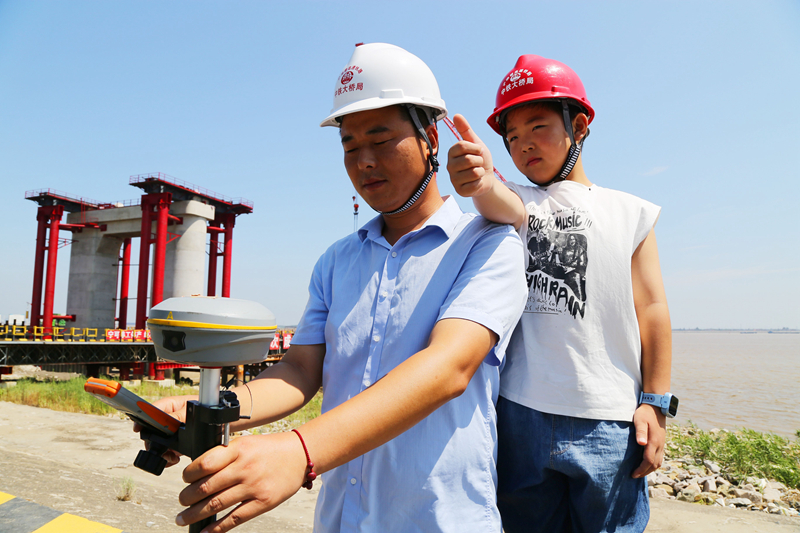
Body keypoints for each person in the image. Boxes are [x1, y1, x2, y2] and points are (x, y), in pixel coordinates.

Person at [145, 43, 526, 533]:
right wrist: (209, 411)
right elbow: (301, 370)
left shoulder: (488, 244)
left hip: (440, 520)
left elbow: (448, 367)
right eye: (349, 146)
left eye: (381, 140)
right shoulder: (337, 261)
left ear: (430, 138)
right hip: (342, 520)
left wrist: (298, 451)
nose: (364, 161)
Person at [447, 54, 673, 532]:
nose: (523, 144)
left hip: (609, 417)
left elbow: (652, 308)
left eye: (538, 127)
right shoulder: (522, 202)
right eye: (511, 137)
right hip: (520, 413)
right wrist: (480, 179)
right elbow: (494, 197)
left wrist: (655, 401)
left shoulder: (630, 212)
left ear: (580, 125)